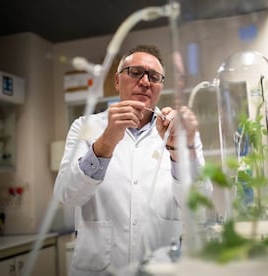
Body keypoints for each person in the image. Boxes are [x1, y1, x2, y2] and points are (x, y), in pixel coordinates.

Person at [54, 44, 213, 275]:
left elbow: (198, 203)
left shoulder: (181, 132)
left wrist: (179, 151)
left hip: (162, 268)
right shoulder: (85, 127)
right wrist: (106, 142)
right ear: (117, 81)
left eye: (154, 77)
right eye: (136, 72)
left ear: (160, 86)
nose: (146, 81)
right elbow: (66, 195)